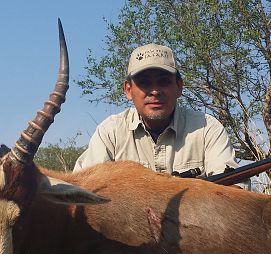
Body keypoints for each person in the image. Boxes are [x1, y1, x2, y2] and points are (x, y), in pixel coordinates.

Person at [74, 43, 248, 188]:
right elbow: (84, 190)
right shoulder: (110, 132)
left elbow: (234, 192)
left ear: (179, 86)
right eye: (144, 83)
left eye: (164, 81)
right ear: (128, 90)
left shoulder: (207, 128)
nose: (155, 91)